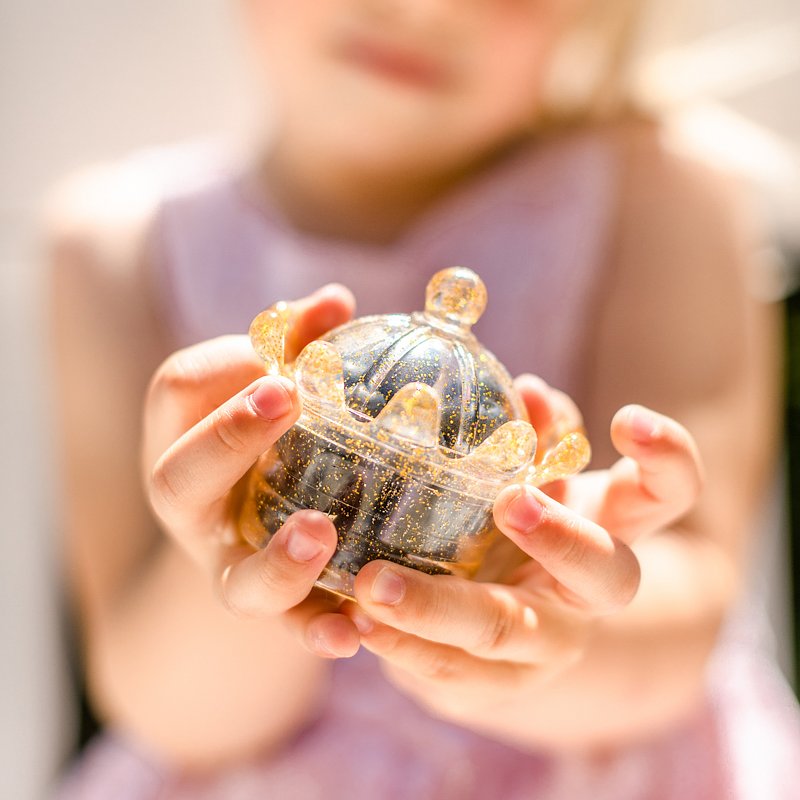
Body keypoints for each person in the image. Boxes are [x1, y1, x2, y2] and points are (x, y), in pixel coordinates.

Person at [50, 1, 800, 798]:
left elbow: (686, 595)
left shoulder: (665, 196)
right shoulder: (113, 251)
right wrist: (234, 554)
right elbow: (172, 715)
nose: (422, 7)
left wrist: (539, 637)